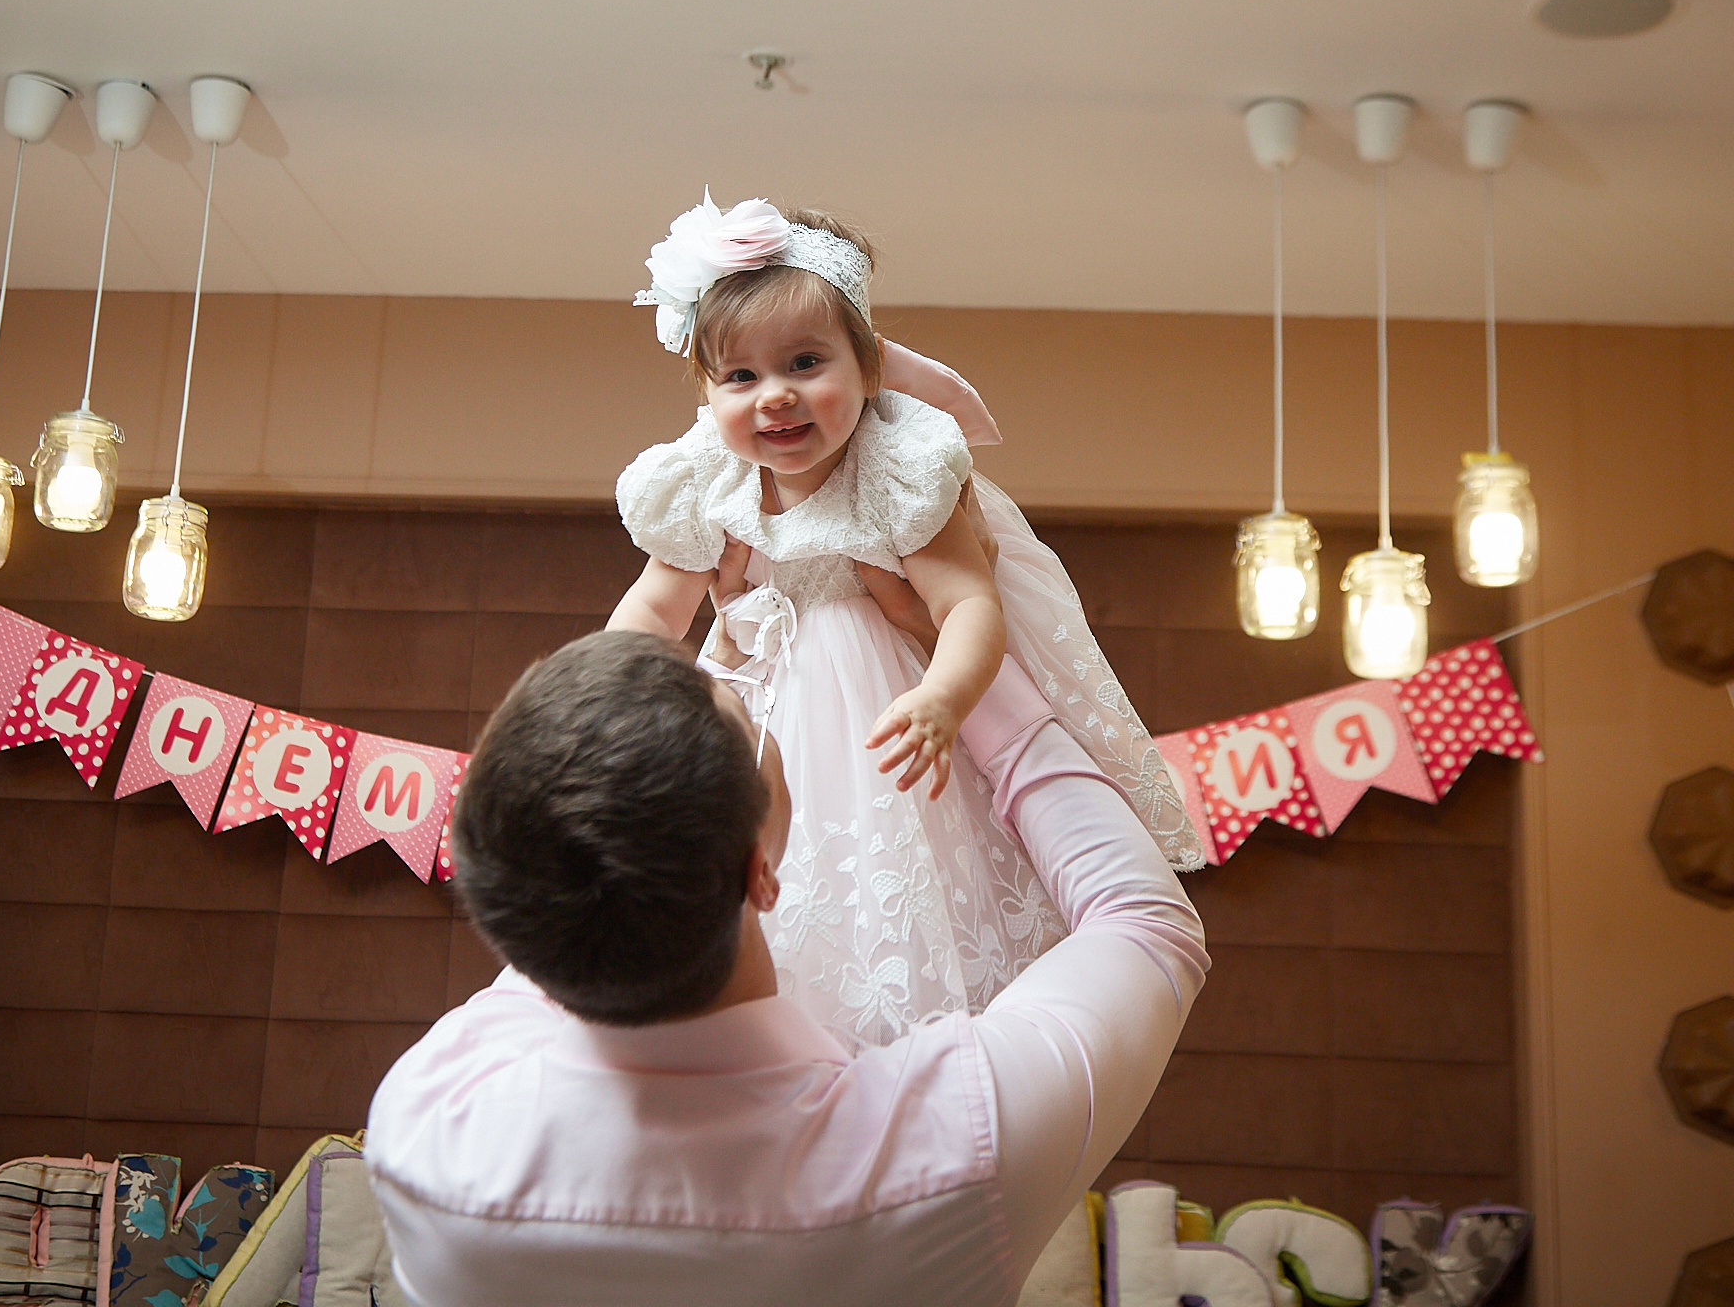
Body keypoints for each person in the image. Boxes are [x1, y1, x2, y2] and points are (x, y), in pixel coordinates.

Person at [364, 627, 1209, 1307]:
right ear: (763, 871)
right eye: (746, 717)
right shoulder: (952, 1147)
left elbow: (561, 866)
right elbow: (1145, 922)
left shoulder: (428, 1126)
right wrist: (961, 664)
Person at [607, 194, 1204, 1048]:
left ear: (870, 367)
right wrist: (604, 699)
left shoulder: (896, 469)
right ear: (706, 391)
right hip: (766, 708)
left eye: (805, 362)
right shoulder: (707, 483)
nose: (775, 395)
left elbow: (968, 604)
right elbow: (650, 611)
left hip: (892, 706)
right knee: (772, 890)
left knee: (902, 893)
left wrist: (945, 698)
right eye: (740, 377)